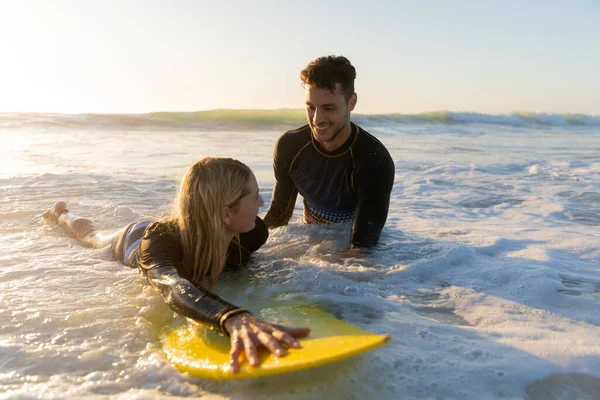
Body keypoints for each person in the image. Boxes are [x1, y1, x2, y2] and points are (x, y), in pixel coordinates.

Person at [43, 157, 310, 374]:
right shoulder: (159, 241)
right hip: (135, 240)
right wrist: (231, 317)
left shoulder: (253, 233)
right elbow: (170, 283)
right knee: (92, 237)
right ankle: (61, 213)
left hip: (189, 229)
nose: (261, 204)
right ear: (227, 212)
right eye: (254, 198)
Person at [263, 55, 395, 248]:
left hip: (354, 244)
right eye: (310, 107)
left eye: (328, 108)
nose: (317, 119)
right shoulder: (290, 147)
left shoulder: (373, 160)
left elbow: (363, 246)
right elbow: (277, 217)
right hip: (311, 240)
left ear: (352, 102)